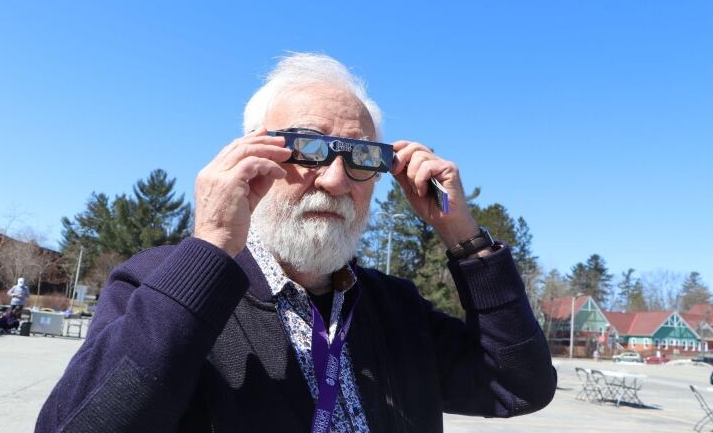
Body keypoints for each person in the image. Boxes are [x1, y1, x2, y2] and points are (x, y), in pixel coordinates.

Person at [36, 53, 556, 432]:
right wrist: (212, 245)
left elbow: (520, 385)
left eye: (362, 157)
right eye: (307, 149)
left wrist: (463, 237)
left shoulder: (394, 308)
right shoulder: (161, 284)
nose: (335, 179)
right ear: (248, 156)